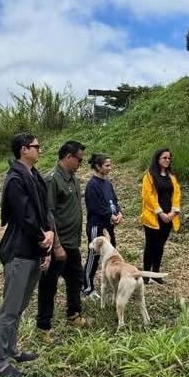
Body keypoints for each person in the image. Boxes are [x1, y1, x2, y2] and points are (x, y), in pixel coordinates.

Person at [0, 132, 54, 377]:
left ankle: (12, 349)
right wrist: (43, 237)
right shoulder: (15, 179)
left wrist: (48, 236)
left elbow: (44, 209)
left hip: (35, 250)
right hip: (19, 251)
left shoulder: (35, 176)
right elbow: (24, 216)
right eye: (36, 146)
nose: (40, 150)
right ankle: (0, 362)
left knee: (20, 306)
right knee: (10, 309)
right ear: (23, 150)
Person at [35, 140, 88, 336]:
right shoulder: (52, 180)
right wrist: (56, 246)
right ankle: (43, 325)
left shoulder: (73, 178)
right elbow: (48, 215)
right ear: (68, 157)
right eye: (79, 160)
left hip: (72, 242)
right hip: (58, 244)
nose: (80, 164)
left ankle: (73, 313)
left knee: (75, 279)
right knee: (49, 285)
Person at [83, 152, 123, 298]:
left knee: (112, 254)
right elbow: (95, 207)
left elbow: (114, 201)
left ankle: (111, 282)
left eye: (110, 165)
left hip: (109, 225)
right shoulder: (92, 185)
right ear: (98, 166)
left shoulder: (108, 183)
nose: (110, 168)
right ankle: (87, 286)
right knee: (94, 256)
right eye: (107, 165)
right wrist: (110, 215)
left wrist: (119, 213)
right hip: (97, 226)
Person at [140, 147, 180, 283]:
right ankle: (145, 275)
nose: (167, 160)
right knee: (150, 245)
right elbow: (148, 196)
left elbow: (176, 194)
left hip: (168, 216)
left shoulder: (171, 176)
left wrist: (173, 212)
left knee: (160, 245)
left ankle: (156, 274)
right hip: (154, 217)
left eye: (169, 158)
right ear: (158, 159)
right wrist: (160, 212)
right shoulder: (149, 175)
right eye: (164, 158)